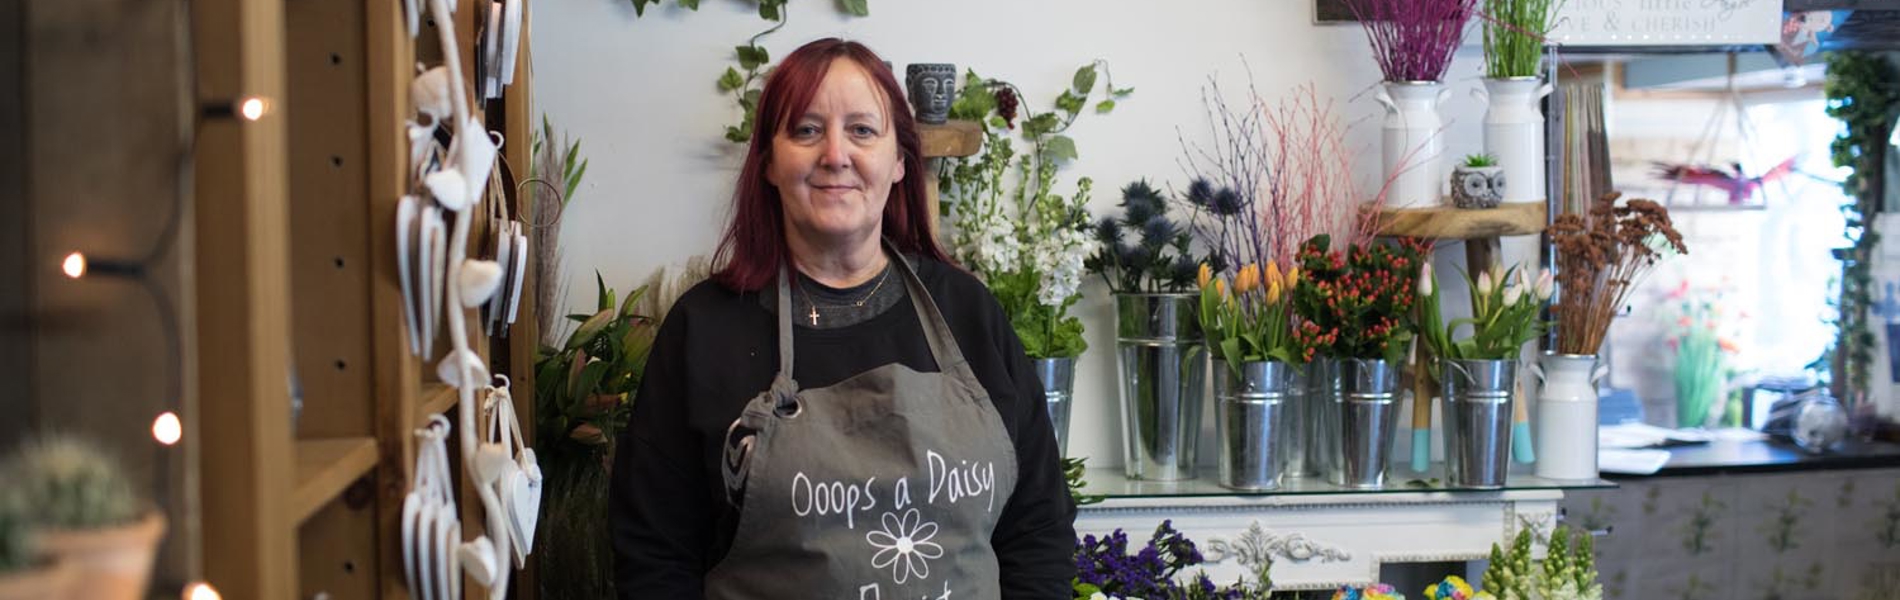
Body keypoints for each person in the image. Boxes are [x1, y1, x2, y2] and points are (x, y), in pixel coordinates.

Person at [611, 38, 1076, 599]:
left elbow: (1038, 531)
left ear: (900, 161)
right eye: (807, 130)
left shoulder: (969, 313)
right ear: (769, 162)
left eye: (862, 130)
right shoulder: (705, 329)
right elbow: (654, 556)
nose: (835, 154)